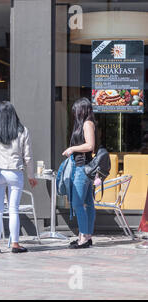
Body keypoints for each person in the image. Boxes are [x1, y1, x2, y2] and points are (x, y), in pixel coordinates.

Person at [0, 101, 37, 254]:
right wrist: (31, 176)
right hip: (15, 173)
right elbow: (28, 157)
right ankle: (15, 244)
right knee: (13, 210)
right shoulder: (23, 131)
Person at [62, 97, 96, 249]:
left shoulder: (88, 123)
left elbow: (90, 145)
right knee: (88, 203)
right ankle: (87, 236)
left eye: (76, 109)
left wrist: (72, 149)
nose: (74, 112)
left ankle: (83, 237)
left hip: (83, 168)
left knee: (77, 203)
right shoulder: (84, 124)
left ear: (82, 110)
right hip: (83, 167)